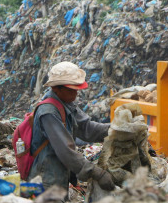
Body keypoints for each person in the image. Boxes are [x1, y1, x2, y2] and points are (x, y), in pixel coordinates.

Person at [28, 61, 115, 191]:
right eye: (71, 90)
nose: (75, 94)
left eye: (76, 90)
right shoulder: (48, 112)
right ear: (56, 88)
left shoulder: (66, 104)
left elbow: (87, 129)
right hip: (45, 181)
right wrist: (96, 173)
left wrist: (116, 129)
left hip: (59, 176)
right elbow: (66, 151)